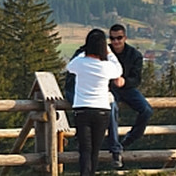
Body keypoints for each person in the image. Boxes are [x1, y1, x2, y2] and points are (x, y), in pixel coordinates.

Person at [66, 29, 123, 176]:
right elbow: (118, 70)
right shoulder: (106, 67)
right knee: (95, 150)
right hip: (101, 110)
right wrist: (110, 54)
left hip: (82, 109)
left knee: (85, 150)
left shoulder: (79, 62)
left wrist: (83, 51)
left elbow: (69, 67)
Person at [108, 24, 154, 158]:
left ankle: (130, 138)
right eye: (112, 38)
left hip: (128, 89)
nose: (115, 41)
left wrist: (125, 81)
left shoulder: (135, 55)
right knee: (112, 110)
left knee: (146, 110)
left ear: (125, 38)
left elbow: (137, 79)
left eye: (119, 38)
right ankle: (115, 148)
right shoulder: (105, 53)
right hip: (110, 90)